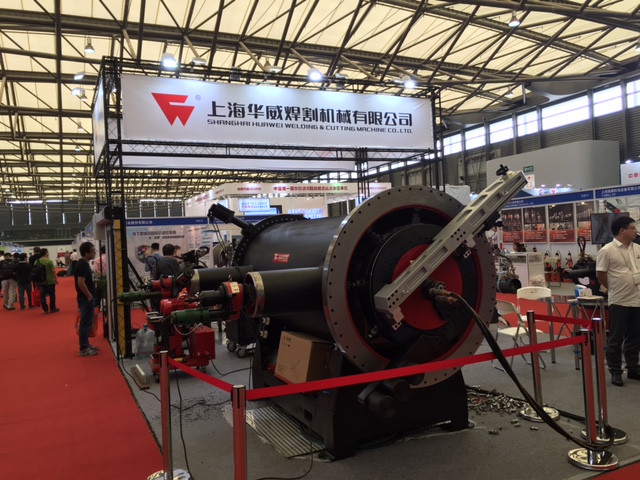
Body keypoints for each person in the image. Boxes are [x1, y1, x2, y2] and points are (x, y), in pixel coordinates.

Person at [596, 216, 640, 387]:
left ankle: (633, 368)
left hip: (637, 299)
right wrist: (612, 288)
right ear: (622, 231)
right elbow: (600, 274)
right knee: (616, 338)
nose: (636, 231)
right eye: (633, 228)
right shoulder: (607, 251)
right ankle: (615, 371)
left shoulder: (637, 248)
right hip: (619, 300)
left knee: (634, 337)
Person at [75, 241, 98, 356]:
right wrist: (89, 295)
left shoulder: (84, 264)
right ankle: (84, 348)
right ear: (86, 253)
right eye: (92, 251)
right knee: (85, 323)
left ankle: (86, 345)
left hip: (87, 297)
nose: (94, 253)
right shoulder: (82, 264)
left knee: (88, 322)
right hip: (86, 298)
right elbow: (80, 282)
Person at [37, 248, 59, 314]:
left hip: (41, 281)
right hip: (49, 280)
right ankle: (52, 308)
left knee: (42, 296)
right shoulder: (49, 261)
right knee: (52, 295)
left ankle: (45, 309)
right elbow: (53, 271)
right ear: (46, 253)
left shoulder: (37, 261)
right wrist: (56, 279)